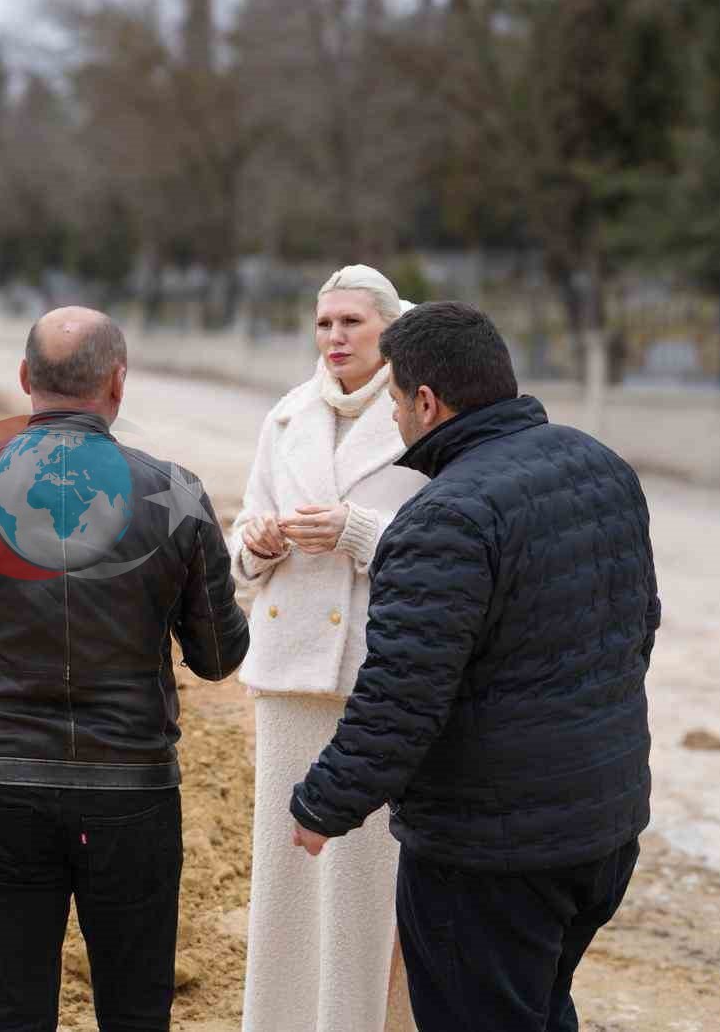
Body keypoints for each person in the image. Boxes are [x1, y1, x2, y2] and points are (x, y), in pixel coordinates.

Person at [0, 306, 250, 1032]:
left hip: (5, 791)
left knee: (15, 1009)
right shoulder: (176, 492)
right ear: (118, 382)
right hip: (133, 794)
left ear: (24, 378)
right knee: (137, 1011)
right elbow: (219, 658)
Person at [289, 301, 660, 1031]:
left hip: (491, 854)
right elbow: (638, 627)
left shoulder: (444, 517)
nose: (396, 418)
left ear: (427, 402)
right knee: (539, 1010)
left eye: (396, 402)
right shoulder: (599, 465)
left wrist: (324, 804)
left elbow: (401, 695)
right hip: (603, 827)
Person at [231, 264, 425, 1032]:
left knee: (364, 884)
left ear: (389, 328)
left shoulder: (422, 412)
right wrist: (256, 544)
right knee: (284, 876)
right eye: (324, 323)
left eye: (352, 322)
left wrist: (358, 532)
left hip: (377, 678)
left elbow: (452, 541)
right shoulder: (286, 416)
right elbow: (241, 550)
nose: (335, 337)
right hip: (288, 676)